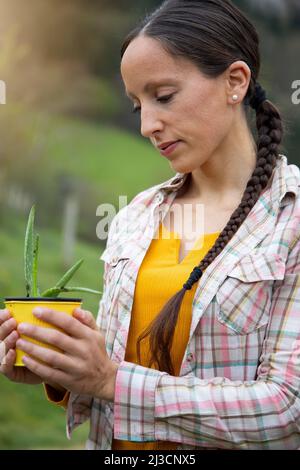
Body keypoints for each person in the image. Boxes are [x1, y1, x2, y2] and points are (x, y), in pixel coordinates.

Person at [0, 0, 300, 450]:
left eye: (163, 96)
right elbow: (114, 372)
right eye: (138, 104)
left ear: (235, 82)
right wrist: (65, 371)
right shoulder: (135, 216)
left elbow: (285, 407)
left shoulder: (290, 217)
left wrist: (110, 380)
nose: (146, 125)